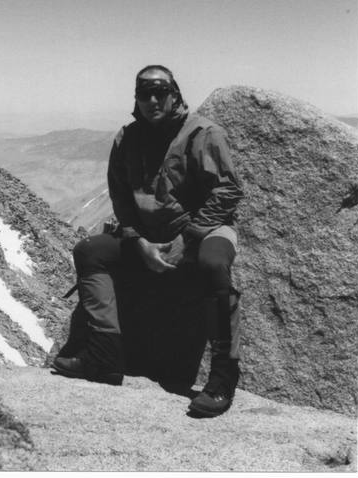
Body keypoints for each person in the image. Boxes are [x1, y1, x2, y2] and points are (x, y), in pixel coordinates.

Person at [52, 65, 244, 417]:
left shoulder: (202, 134)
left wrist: (188, 238)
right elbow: (122, 199)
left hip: (204, 231)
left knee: (214, 265)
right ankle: (104, 354)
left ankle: (223, 375)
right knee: (90, 251)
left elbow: (228, 191)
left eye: (161, 92)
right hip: (148, 237)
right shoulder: (128, 138)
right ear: (136, 99)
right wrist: (137, 240)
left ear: (175, 94)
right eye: (145, 93)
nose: (153, 100)